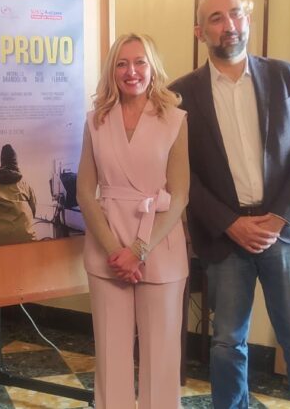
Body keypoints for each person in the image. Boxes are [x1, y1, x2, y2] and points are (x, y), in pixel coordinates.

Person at [169, 0, 290, 409]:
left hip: (285, 234)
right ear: (200, 32)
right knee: (226, 344)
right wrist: (229, 223)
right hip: (226, 239)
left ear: (248, 20)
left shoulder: (286, 76)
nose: (230, 25)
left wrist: (279, 217)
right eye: (217, 18)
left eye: (236, 14)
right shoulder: (179, 95)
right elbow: (182, 174)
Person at [77, 33, 189, 408]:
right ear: (112, 71)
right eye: (122, 64)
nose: (132, 71)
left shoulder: (174, 119)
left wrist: (139, 250)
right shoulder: (96, 121)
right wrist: (116, 252)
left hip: (159, 242)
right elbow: (84, 191)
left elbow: (180, 194)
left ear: (152, 67)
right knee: (111, 358)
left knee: (161, 358)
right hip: (106, 245)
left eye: (140, 62)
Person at [0, 143, 37, 246]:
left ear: (2, 161)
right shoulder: (24, 183)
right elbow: (33, 209)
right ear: (15, 162)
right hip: (24, 239)